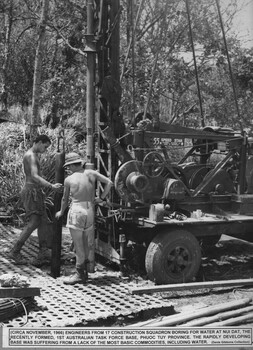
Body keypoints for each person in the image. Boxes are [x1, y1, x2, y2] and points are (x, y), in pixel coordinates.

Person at [55, 152, 113, 285]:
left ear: (71, 165)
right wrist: (102, 198)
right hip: (90, 210)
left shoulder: (69, 179)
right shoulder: (91, 173)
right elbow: (109, 183)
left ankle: (79, 274)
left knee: (78, 244)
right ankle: (84, 271)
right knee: (87, 243)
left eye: (68, 167)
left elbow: (64, 199)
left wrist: (61, 211)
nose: (68, 169)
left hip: (77, 209)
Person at [8, 134, 62, 265]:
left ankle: (43, 251)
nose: (45, 149)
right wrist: (51, 186)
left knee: (43, 221)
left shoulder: (33, 155)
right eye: (45, 146)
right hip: (31, 192)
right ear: (38, 142)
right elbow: (34, 175)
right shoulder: (31, 156)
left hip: (35, 191)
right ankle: (15, 251)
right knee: (34, 222)